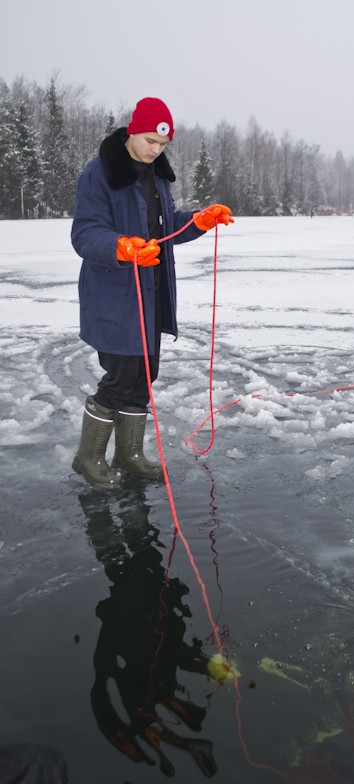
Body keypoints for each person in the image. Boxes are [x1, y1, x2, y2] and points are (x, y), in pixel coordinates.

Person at [70, 97, 233, 490]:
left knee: (145, 376)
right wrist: (122, 247)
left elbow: (166, 228)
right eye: (149, 141)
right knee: (121, 376)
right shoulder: (100, 174)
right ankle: (88, 458)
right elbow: (85, 234)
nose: (154, 150)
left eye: (161, 146)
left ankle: (130, 455)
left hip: (153, 294)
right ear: (132, 131)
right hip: (117, 296)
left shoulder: (157, 177)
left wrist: (199, 221)